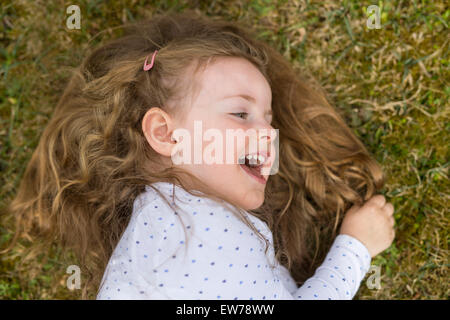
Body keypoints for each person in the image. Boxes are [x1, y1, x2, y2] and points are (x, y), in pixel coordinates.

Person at [6, 10, 395, 300]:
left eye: (268, 118)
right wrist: (355, 247)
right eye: (240, 113)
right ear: (165, 134)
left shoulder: (167, 223)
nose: (269, 133)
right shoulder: (201, 233)